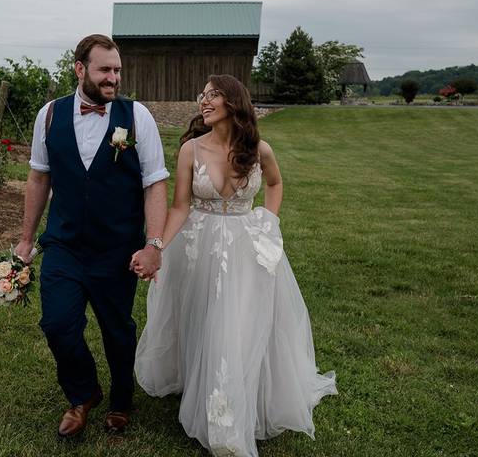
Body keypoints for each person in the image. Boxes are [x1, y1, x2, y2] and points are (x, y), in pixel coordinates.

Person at [133, 74, 337, 457]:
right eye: (203, 95)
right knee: (202, 317)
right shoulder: (191, 150)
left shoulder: (260, 149)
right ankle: (200, 384)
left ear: (233, 102)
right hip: (200, 245)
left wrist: (269, 222)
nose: (203, 101)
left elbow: (275, 185)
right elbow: (180, 206)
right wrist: (157, 245)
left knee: (238, 322)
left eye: (213, 95)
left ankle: (229, 410)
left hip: (247, 246)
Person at [15, 34, 168, 439]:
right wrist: (26, 240)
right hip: (64, 245)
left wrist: (153, 244)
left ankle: (121, 400)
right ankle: (82, 394)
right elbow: (38, 177)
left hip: (117, 249)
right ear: (80, 69)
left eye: (117, 70)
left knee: (117, 330)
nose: (113, 78)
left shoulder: (138, 118)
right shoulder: (49, 115)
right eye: (105, 70)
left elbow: (154, 183)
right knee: (57, 324)